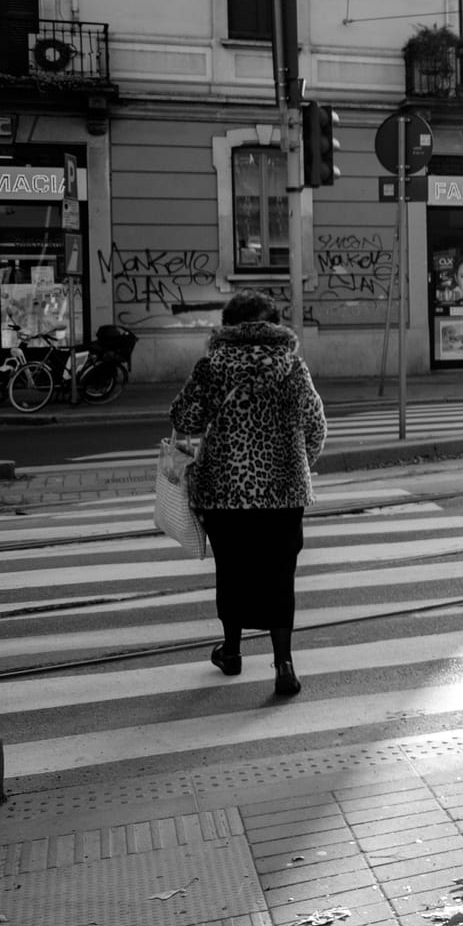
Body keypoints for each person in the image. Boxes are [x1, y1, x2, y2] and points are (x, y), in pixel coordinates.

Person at [170, 291, 327, 698]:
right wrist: (300, 466)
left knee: (232, 571)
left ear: (228, 324)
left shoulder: (213, 364)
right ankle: (283, 665)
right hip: (283, 493)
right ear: (274, 324)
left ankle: (233, 653)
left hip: (224, 493)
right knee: (280, 575)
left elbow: (184, 417)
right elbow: (315, 422)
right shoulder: (291, 365)